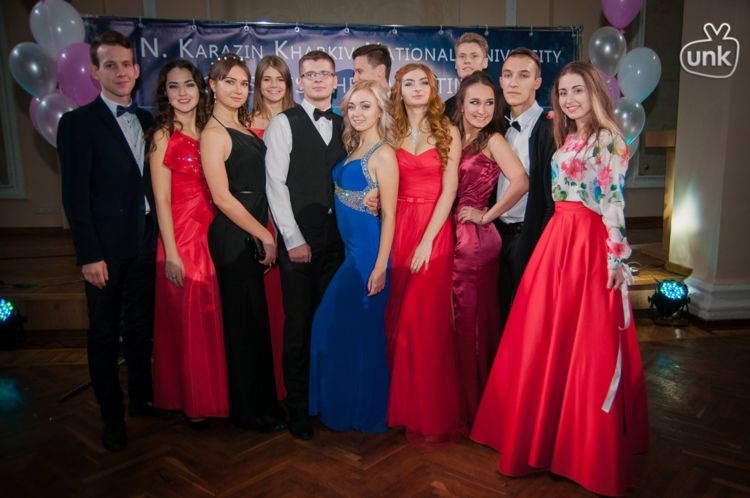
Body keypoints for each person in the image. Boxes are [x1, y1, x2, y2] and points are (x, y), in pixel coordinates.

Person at [470, 61, 649, 497]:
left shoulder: (608, 138)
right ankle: (542, 438)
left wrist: (616, 257)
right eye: (563, 92)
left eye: (577, 91)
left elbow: (613, 202)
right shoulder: (569, 136)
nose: (569, 99)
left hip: (586, 245)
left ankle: (581, 450)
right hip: (558, 240)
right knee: (542, 339)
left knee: (583, 344)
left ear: (595, 93)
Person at [57, 30, 156, 452]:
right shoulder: (77, 124)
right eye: (110, 65)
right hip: (106, 249)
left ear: (137, 69)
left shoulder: (150, 121)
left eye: (126, 64)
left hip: (147, 241)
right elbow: (74, 197)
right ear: (95, 72)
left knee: (141, 327)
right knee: (103, 333)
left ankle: (142, 400)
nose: (121, 72)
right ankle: (111, 416)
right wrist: (90, 254)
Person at [264, 50, 346, 440]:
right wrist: (292, 238)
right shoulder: (283, 123)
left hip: (339, 244)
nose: (317, 79)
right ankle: (297, 408)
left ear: (335, 81)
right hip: (299, 244)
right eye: (310, 74)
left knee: (329, 324)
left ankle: (324, 401)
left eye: (324, 73)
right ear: (299, 82)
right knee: (298, 326)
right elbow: (275, 185)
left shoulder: (347, 124)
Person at [308, 80, 399, 433]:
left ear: (380, 110)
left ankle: (364, 411)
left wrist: (380, 266)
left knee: (354, 333)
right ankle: (344, 404)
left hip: (368, 260)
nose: (357, 113)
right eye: (353, 107)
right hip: (351, 256)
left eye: (366, 106)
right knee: (341, 330)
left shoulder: (383, 154)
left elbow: (389, 215)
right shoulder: (353, 147)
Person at [201, 53, 284, 432]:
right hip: (234, 236)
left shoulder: (243, 126)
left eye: (243, 83)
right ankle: (249, 413)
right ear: (212, 85)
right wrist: (263, 233)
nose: (237, 90)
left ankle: (263, 404)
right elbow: (222, 197)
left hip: (252, 226)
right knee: (242, 325)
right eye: (229, 82)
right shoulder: (213, 133)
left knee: (255, 321)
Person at [384, 62, 466, 445]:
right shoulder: (391, 131)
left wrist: (427, 240)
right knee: (398, 320)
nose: (416, 88)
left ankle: (429, 413)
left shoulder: (448, 130)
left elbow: (449, 191)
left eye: (423, 82)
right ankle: (404, 409)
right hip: (398, 227)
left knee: (424, 323)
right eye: (409, 83)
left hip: (433, 230)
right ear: (398, 90)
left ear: (433, 90)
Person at [149, 59, 228, 428]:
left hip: (212, 230)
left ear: (201, 89)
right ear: (164, 94)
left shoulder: (211, 130)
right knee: (190, 319)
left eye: (189, 85)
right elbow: (161, 198)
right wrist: (171, 252)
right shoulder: (163, 135)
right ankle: (194, 400)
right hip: (181, 235)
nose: (182, 93)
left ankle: (215, 395)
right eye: (173, 86)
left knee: (213, 316)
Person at [450, 71, 528, 426]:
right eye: (474, 102)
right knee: (456, 321)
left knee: (473, 323)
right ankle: (458, 399)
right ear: (461, 103)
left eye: (489, 103)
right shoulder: (453, 135)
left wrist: (487, 215)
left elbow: (521, 181)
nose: (482, 110)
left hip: (475, 241)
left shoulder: (492, 139)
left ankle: (480, 405)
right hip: (451, 235)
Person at [496, 47, 556, 330]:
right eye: (507, 75)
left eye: (523, 75)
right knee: (500, 317)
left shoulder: (550, 128)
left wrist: (544, 243)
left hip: (530, 236)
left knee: (531, 319)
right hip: (498, 236)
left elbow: (552, 197)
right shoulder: (497, 125)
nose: (513, 82)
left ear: (537, 82)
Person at [248, 55, 296, 401]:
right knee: (262, 307)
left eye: (280, 79)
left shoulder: (299, 119)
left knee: (289, 307)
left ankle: (288, 385)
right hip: (258, 218)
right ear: (258, 84)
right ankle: (266, 387)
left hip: (293, 221)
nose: (274, 86)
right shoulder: (244, 122)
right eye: (267, 79)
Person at [444, 32, 490, 118]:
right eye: (462, 56)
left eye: (474, 56)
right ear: (456, 63)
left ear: (485, 62)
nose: (467, 61)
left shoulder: (499, 104)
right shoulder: (446, 109)